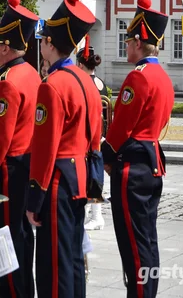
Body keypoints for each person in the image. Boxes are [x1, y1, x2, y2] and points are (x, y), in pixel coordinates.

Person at [27, 0, 102, 298]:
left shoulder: (52, 86)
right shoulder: (87, 80)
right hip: (81, 178)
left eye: (42, 40)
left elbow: (45, 148)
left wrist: (35, 198)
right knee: (72, 259)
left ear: (48, 43)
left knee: (53, 267)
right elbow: (96, 136)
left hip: (57, 181)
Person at [102, 0, 174, 298]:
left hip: (133, 165)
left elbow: (122, 126)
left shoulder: (139, 77)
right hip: (152, 161)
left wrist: (105, 155)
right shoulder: (163, 77)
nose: (126, 45)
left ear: (140, 42)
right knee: (147, 240)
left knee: (133, 243)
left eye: (128, 40)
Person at [0, 0, 40, 298]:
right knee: (22, 239)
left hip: (7, 170)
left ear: (4, 47)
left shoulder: (8, 82)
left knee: (5, 240)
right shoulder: (30, 74)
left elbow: (0, 138)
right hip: (24, 166)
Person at [76, 36, 108, 230]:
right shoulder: (101, 83)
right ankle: (92, 215)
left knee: (90, 175)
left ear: (80, 64)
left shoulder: (82, 83)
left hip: (88, 133)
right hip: (100, 133)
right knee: (93, 175)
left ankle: (95, 216)